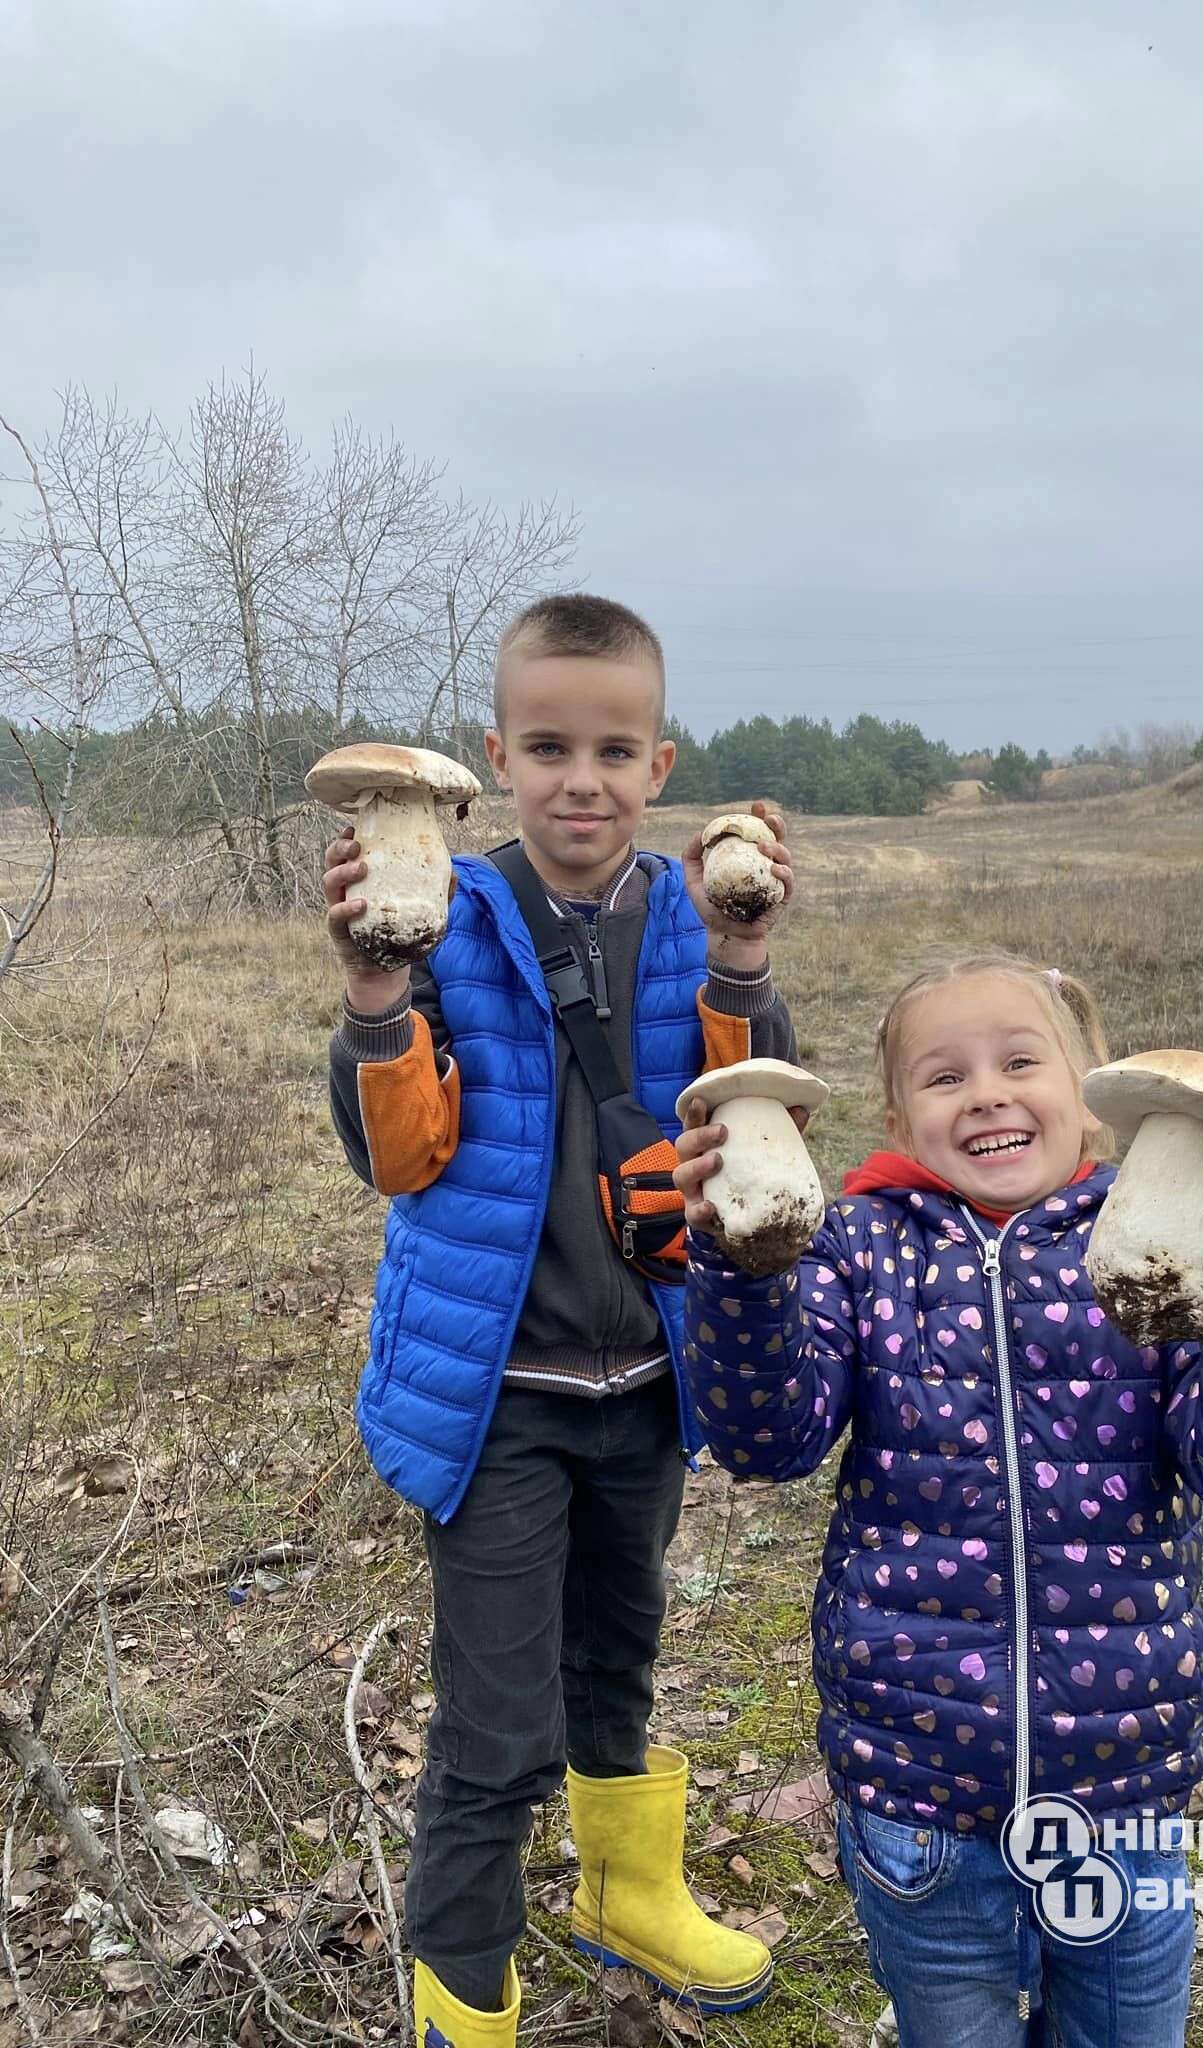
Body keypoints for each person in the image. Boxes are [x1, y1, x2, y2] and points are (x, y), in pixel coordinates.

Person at [674, 952, 1203, 2048]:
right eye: (944, 1076)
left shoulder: (1165, 1250)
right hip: (915, 1783)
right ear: (898, 1115)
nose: (986, 1091)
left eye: (1021, 1060)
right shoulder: (860, 1246)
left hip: (1122, 1785)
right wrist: (743, 1268)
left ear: (1094, 1091)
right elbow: (770, 1438)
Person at [325, 594, 798, 2048]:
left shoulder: (683, 915)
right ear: (493, 760)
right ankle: (462, 1989)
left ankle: (625, 1893)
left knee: (619, 1650)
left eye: (613, 749)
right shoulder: (449, 916)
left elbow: (753, 1124)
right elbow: (399, 1157)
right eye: (547, 747)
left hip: (648, 1381)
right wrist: (373, 986)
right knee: (495, 1721)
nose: (579, 779)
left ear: (661, 767)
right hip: (500, 1393)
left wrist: (742, 961)